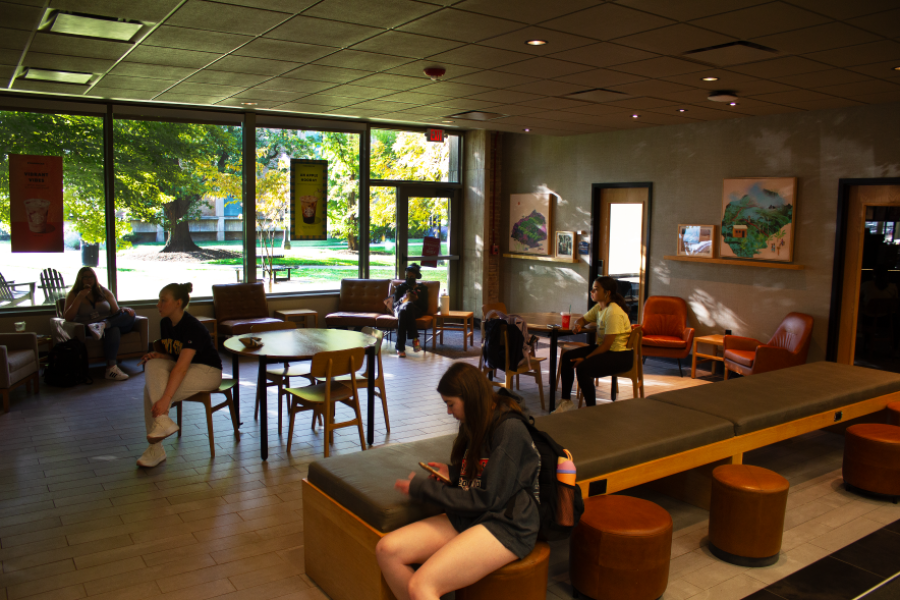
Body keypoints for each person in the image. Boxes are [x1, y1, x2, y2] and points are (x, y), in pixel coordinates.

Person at [376, 363, 540, 600]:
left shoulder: (509, 429)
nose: (448, 412)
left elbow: (486, 498)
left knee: (422, 585)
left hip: (506, 523)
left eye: (450, 404)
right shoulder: (476, 421)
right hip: (475, 514)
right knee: (387, 550)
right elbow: (486, 472)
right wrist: (453, 474)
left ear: (469, 398)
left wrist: (424, 489)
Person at [136, 283, 223, 468]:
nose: (158, 305)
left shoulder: (193, 327)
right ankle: (161, 427)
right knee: (151, 368)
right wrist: (160, 356)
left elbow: (181, 368)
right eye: (158, 300)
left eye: (163, 300)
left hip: (208, 371)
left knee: (154, 392)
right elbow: (176, 356)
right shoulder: (165, 323)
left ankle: (156, 447)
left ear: (178, 302)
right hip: (185, 366)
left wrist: (166, 399)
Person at [555, 276, 633, 411]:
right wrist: (577, 325)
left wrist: (585, 358)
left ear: (607, 293)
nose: (592, 292)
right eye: (592, 289)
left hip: (620, 356)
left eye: (596, 289)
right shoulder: (600, 307)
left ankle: (592, 410)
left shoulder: (613, 312)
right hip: (607, 351)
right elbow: (582, 320)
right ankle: (566, 401)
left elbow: (607, 345)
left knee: (583, 367)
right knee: (568, 357)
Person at [62, 267, 136, 381]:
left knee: (130, 315)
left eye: (91, 277)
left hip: (106, 324)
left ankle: (103, 325)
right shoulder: (74, 294)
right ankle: (111, 368)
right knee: (114, 329)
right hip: (86, 328)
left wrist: (124, 310)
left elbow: (115, 312)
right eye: (85, 277)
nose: (88, 280)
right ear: (80, 279)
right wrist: (80, 297)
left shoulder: (103, 291)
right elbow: (67, 317)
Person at [392, 263, 429, 357]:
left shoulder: (422, 288)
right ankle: (415, 339)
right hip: (401, 309)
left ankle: (400, 348)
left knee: (408, 308)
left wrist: (416, 299)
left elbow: (425, 307)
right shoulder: (400, 287)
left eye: (411, 276)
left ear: (416, 276)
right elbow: (394, 305)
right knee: (406, 308)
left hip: (415, 311)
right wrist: (402, 299)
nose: (408, 278)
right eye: (407, 276)